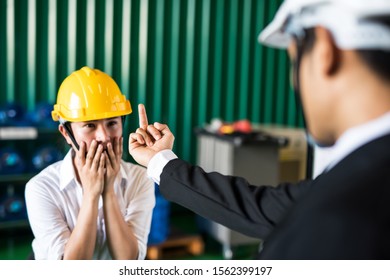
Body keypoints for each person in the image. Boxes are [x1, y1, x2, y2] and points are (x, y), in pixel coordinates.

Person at [128, 0, 390, 259]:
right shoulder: (353, 183)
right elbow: (261, 207)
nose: (293, 82)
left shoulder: (343, 215)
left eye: (293, 60)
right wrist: (159, 161)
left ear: (324, 49)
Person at [25, 66, 155, 260]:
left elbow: (129, 262)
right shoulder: (41, 188)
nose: (104, 136)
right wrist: (92, 194)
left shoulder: (140, 179)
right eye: (89, 125)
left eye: (112, 123)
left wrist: (108, 191)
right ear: (66, 133)